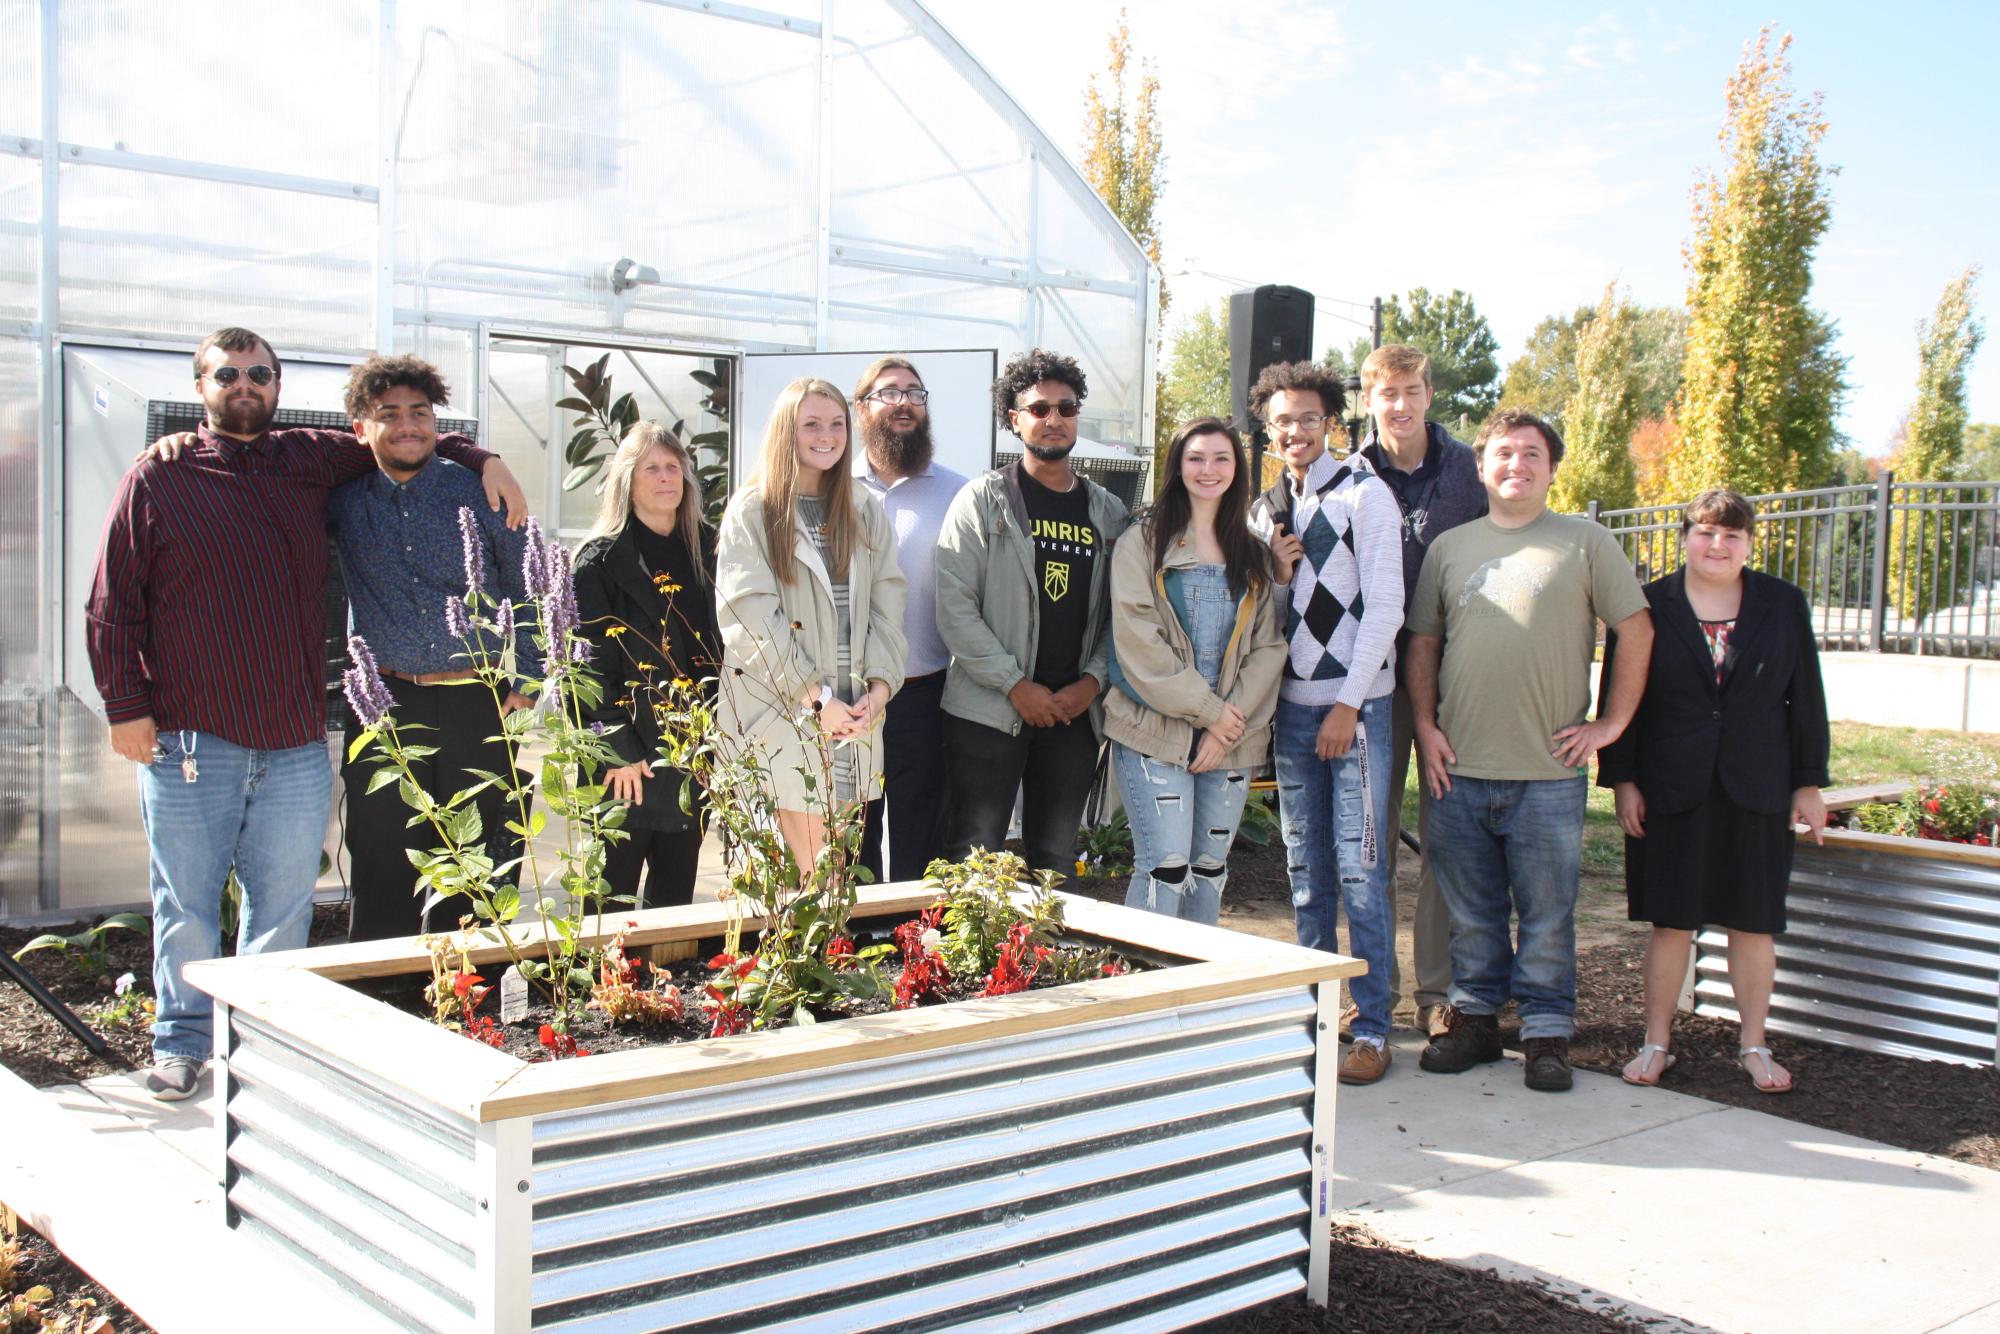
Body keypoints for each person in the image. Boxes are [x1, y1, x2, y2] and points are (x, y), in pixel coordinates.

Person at [88, 327, 525, 1100]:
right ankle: (184, 1042)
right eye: (229, 374)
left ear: (280, 386)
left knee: (287, 906)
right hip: (201, 730)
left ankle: (272, 1044)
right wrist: (127, 707)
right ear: (202, 388)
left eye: (260, 373)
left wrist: (482, 456)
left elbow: (414, 443)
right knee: (193, 900)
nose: (245, 384)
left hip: (297, 736)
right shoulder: (162, 477)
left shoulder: (312, 462)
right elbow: (111, 603)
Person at [1405, 408, 1654, 1093]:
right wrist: (1425, 727)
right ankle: (1478, 1022)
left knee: (1547, 917)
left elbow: (1635, 629)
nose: (1517, 465)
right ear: (1481, 466)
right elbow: (1423, 642)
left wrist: (1610, 725)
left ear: (1551, 467)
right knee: (1473, 912)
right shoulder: (1451, 548)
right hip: (1460, 768)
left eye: (1532, 455)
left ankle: (1547, 1033)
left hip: (1548, 773)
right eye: (1504, 454)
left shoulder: (1584, 542)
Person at [1597, 489, 1829, 1094]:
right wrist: (1622, 780)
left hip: (1759, 786)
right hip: (1670, 786)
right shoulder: (1647, 606)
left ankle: (1754, 1045)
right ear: (1684, 538)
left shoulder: (1782, 605)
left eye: (1732, 535)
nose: (1718, 545)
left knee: (1754, 922)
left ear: (1750, 543)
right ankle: (1656, 1043)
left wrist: (1807, 783)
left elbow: (1806, 698)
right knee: (1671, 922)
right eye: (1705, 532)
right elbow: (1621, 698)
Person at [330, 356, 541, 942]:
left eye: (420, 414)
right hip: (383, 706)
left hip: (480, 703)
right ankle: (381, 996)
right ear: (360, 429)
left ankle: (469, 1003)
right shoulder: (343, 501)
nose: (408, 426)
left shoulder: (481, 493)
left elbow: (531, 588)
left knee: (477, 863)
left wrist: (527, 683)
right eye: (388, 414)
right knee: (380, 860)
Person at [1248, 361, 1407, 1086]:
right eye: (1282, 420)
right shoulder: (1263, 511)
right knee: (1306, 874)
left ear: (1330, 422)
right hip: (1292, 716)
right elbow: (1272, 628)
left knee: (1362, 871)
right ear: (1267, 426)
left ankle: (1373, 1025)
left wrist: (1349, 705)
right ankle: (1316, 1011)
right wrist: (1278, 580)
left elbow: (1386, 607)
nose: (1295, 431)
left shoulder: (1365, 496)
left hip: (1357, 713)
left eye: (1308, 418)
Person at [935, 349, 1130, 875]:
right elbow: (955, 610)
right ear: (1014, 419)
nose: (1054, 420)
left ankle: (1051, 958)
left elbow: (1126, 615)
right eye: (1039, 408)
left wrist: (1091, 683)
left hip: (1073, 714)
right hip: (989, 710)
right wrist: (1016, 685)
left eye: (1066, 408)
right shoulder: (981, 501)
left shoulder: (1108, 513)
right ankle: (971, 959)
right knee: (974, 856)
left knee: (1055, 862)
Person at [715, 378, 907, 874]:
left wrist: (880, 689)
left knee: (831, 875)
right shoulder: (753, 511)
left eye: (837, 424)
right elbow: (749, 619)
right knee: (803, 882)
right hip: (789, 718)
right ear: (787, 431)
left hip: (853, 719)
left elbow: (889, 603)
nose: (827, 435)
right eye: (812, 425)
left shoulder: (864, 509)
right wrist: (815, 697)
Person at [1105, 417, 1286, 924]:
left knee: (1209, 869)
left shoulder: (1252, 552)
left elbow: (1268, 647)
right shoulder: (1142, 543)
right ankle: (1148, 990)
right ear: (1177, 465)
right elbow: (1140, 642)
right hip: (1155, 732)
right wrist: (1208, 713)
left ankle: (1199, 985)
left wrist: (1227, 726)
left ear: (1238, 468)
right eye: (1196, 458)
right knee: (1164, 867)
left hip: (1230, 737)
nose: (1209, 469)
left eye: (1221, 458)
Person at [1356, 343, 1488, 1038]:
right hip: (1371, 677)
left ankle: (1437, 992)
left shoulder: (1471, 470)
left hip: (1451, 674)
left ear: (1429, 394)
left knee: (1445, 837)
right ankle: (1373, 986)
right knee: (1370, 838)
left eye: (1411, 390)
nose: (1400, 405)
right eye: (1387, 393)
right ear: (1369, 401)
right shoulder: (1348, 475)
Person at [572, 422, 723, 909]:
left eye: (673, 467)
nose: (665, 478)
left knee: (674, 899)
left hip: (693, 753)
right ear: (627, 480)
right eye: (651, 468)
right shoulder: (598, 562)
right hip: (627, 761)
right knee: (609, 905)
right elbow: (586, 666)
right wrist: (616, 746)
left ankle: (665, 985)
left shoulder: (711, 550)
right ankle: (609, 987)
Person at [852, 357, 968, 883]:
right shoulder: (832, 489)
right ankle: (855, 949)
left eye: (915, 393)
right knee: (853, 838)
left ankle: (917, 950)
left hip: (926, 693)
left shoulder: (960, 494)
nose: (904, 402)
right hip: (848, 696)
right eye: (889, 392)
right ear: (862, 409)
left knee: (923, 841)